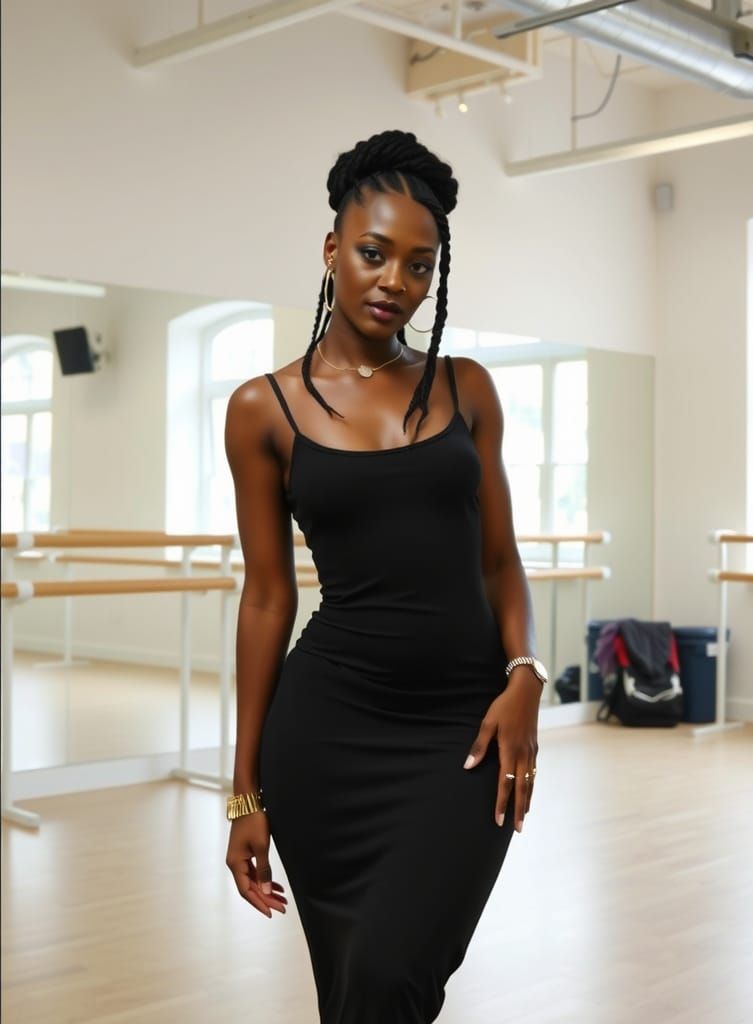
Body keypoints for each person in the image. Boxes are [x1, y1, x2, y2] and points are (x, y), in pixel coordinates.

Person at [223, 129, 546, 1024]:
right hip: (326, 737)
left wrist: (526, 672)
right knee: (354, 993)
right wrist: (245, 792)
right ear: (333, 250)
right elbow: (267, 599)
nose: (394, 281)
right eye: (373, 253)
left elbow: (499, 558)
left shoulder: (467, 389)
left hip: (465, 735)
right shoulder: (264, 408)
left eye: (418, 264)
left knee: (392, 979)